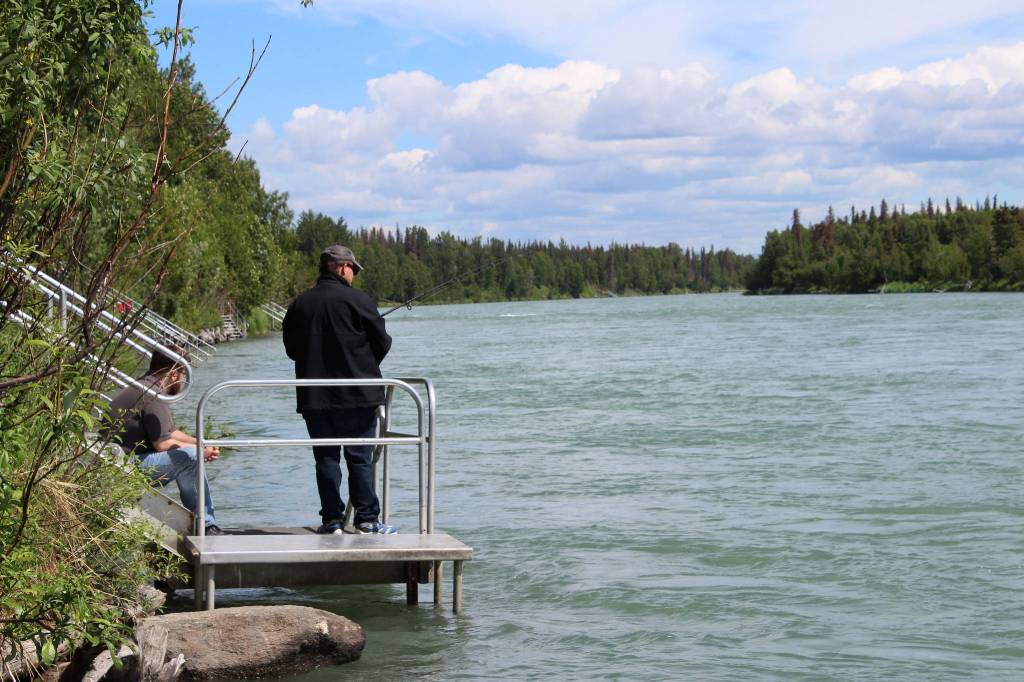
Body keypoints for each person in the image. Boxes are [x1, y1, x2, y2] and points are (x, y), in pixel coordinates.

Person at [283, 245, 396, 535]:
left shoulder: (300, 304)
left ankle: (332, 520)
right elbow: (382, 341)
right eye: (353, 269)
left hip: (315, 396)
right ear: (343, 267)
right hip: (358, 394)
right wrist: (361, 364)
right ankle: (366, 520)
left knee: (326, 458)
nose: (354, 275)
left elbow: (292, 349)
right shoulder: (359, 300)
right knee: (359, 457)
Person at [105, 347, 222, 535]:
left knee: (193, 453)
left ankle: (204, 523)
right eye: (183, 374)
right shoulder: (152, 394)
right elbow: (163, 444)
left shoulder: (145, 386)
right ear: (174, 374)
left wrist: (201, 443)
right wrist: (199, 451)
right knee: (190, 458)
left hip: (119, 462)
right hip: (124, 467)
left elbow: (170, 432)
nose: (183, 380)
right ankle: (206, 526)